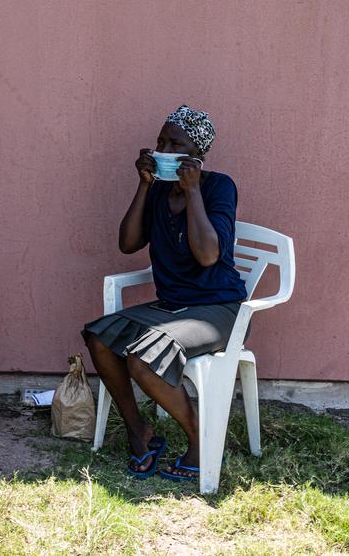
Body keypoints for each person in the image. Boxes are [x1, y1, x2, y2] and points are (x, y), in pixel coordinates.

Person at [82, 105, 247, 481]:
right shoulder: (156, 191)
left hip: (219, 309)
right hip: (171, 307)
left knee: (143, 359)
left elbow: (208, 255)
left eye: (176, 144)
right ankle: (139, 430)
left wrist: (192, 193)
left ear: (197, 156)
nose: (163, 150)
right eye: (160, 141)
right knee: (100, 338)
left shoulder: (219, 186)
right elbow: (127, 244)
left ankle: (200, 439)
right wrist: (143, 185)